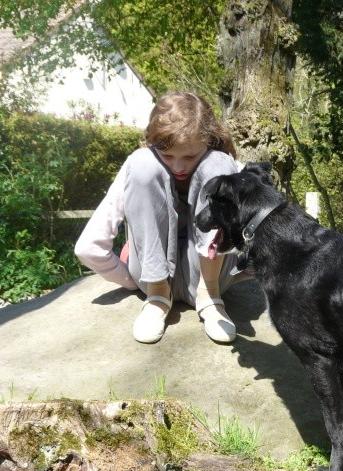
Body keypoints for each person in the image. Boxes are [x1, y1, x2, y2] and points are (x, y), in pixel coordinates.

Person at [75, 91, 243, 344]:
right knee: (142, 163)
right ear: (153, 143)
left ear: (209, 142)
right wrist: (238, 273)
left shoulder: (227, 166)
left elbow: (90, 250)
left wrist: (130, 280)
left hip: (196, 278)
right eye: (166, 156)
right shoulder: (140, 164)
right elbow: (88, 247)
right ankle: (168, 293)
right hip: (169, 277)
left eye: (189, 157)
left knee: (220, 165)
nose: (178, 167)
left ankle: (198, 294)